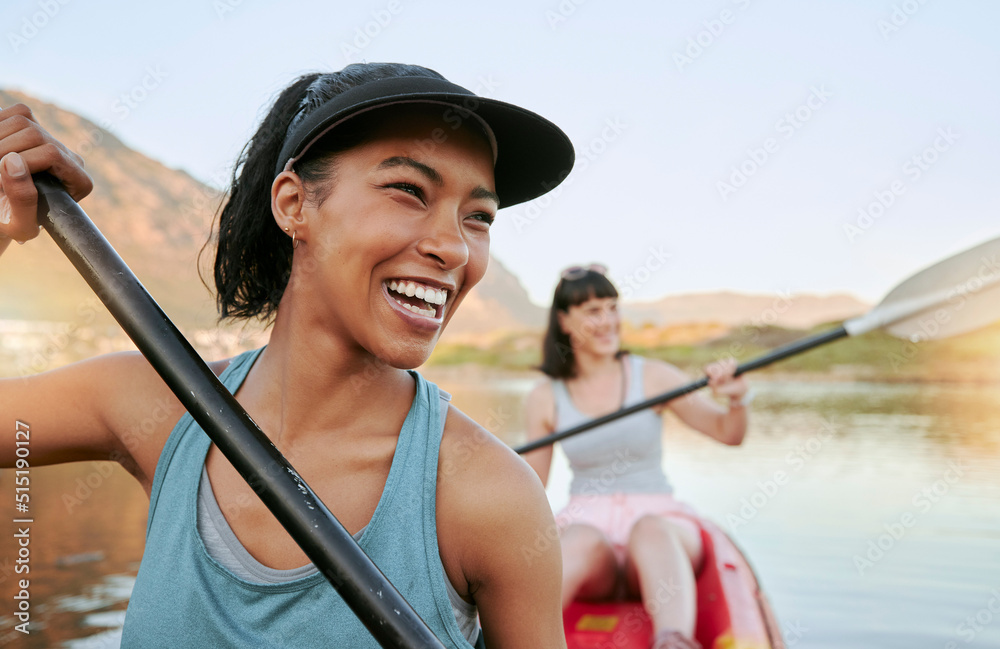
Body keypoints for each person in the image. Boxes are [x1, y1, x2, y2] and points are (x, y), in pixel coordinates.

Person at [0, 63, 576, 648]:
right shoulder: (161, 406)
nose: (452, 246)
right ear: (295, 203)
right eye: (408, 191)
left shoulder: (491, 496)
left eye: (477, 217)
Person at [522, 265, 751, 649]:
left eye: (613, 308)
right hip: (593, 542)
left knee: (651, 528)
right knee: (576, 538)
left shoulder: (655, 377)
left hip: (662, 526)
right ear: (564, 321)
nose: (608, 321)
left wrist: (737, 398)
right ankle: (513, 638)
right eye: (593, 311)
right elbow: (530, 488)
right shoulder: (545, 396)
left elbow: (728, 434)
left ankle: (673, 640)